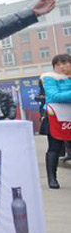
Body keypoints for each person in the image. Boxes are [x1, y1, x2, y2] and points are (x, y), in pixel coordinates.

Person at [40, 54, 71, 189]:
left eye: (64, 63)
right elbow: (54, 96)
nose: (61, 67)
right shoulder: (50, 78)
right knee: (54, 147)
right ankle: (52, 178)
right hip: (55, 116)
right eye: (57, 65)